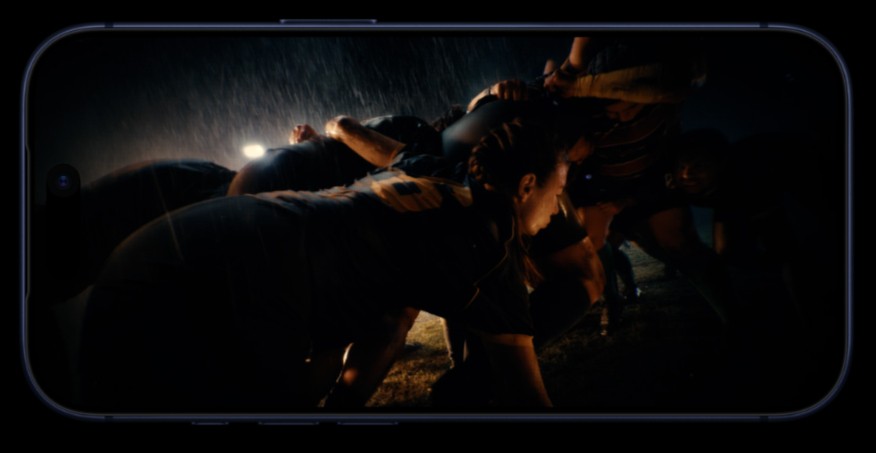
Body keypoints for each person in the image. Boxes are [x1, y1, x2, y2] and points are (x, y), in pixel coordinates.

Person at [77, 118, 568, 411]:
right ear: (527, 186)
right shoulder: (487, 249)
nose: (558, 209)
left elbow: (376, 145)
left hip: (177, 237)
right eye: (558, 192)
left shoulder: (431, 169)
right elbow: (528, 401)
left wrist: (336, 127)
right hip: (230, 285)